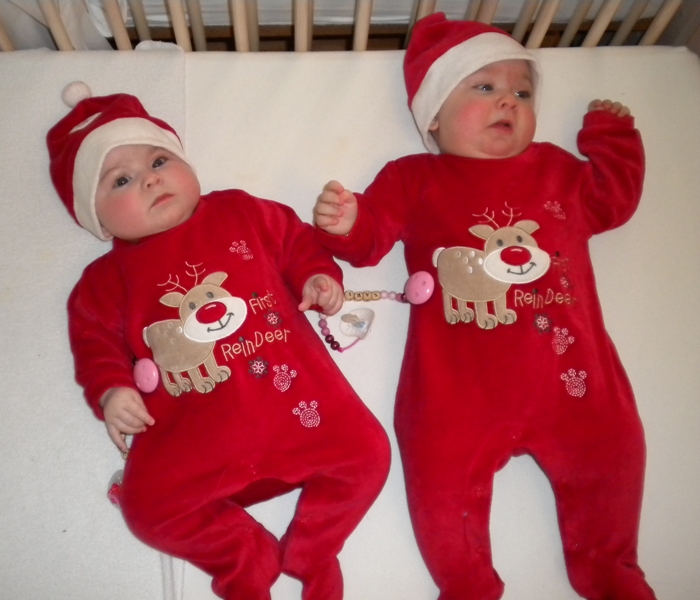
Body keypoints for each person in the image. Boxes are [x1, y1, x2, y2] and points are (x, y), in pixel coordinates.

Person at [314, 13, 657, 600]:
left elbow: (612, 201)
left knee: (613, 452)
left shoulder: (556, 171)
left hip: (572, 382)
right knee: (439, 480)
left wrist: (611, 137)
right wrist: (346, 223)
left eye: (522, 93)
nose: (508, 101)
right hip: (456, 393)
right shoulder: (415, 179)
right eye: (485, 86)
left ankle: (610, 568)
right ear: (434, 116)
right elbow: (370, 240)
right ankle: (466, 583)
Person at [47, 83, 390, 600]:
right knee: (146, 509)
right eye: (121, 180)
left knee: (369, 454)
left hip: (302, 412)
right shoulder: (105, 280)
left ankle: (314, 547)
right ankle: (241, 553)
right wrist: (112, 390)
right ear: (95, 219)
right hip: (199, 441)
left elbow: (295, 242)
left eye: (159, 160)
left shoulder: (240, 213)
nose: (150, 179)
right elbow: (94, 343)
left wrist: (317, 277)